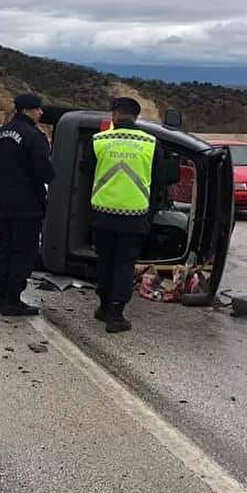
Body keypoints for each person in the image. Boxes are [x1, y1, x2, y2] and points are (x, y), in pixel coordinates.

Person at [85, 97, 169, 333]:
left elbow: (86, 172)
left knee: (105, 262)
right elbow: (161, 181)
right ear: (136, 116)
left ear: (114, 115)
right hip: (134, 217)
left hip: (102, 214)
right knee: (124, 265)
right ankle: (116, 314)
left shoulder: (99, 141)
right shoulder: (151, 143)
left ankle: (103, 307)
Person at [0, 93, 55, 316]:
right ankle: (13, 300)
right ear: (28, 110)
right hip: (27, 204)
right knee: (24, 252)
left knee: (5, 250)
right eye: (38, 109)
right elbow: (45, 172)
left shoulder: (1, 133)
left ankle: (1, 299)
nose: (41, 113)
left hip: (5, 202)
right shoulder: (34, 136)